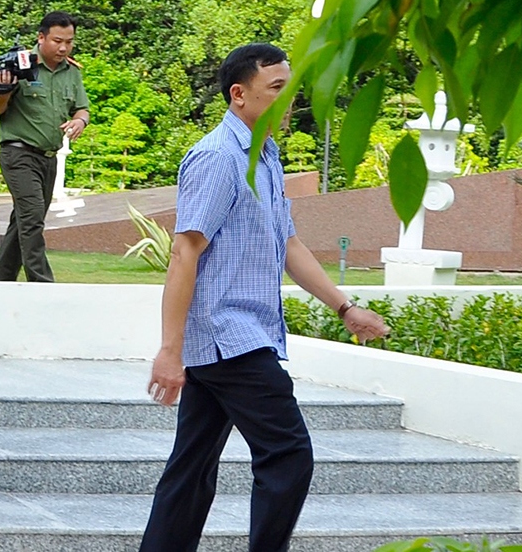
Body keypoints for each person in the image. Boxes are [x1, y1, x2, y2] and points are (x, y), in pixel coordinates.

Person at [139, 43, 390, 552]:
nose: (289, 99)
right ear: (239, 95)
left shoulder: (264, 154)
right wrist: (170, 349)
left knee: (192, 466)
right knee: (288, 454)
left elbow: (287, 243)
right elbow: (184, 253)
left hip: (228, 338)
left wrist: (344, 308)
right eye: (277, 88)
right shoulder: (217, 157)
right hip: (229, 334)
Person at [0, 12, 90, 282]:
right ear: (41, 37)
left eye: (69, 41)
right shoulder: (20, 64)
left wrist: (80, 122)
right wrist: (4, 92)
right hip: (18, 153)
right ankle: (43, 284)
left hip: (49, 158)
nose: (63, 47)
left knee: (22, 221)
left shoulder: (71, 72)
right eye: (57, 40)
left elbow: (82, 109)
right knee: (32, 218)